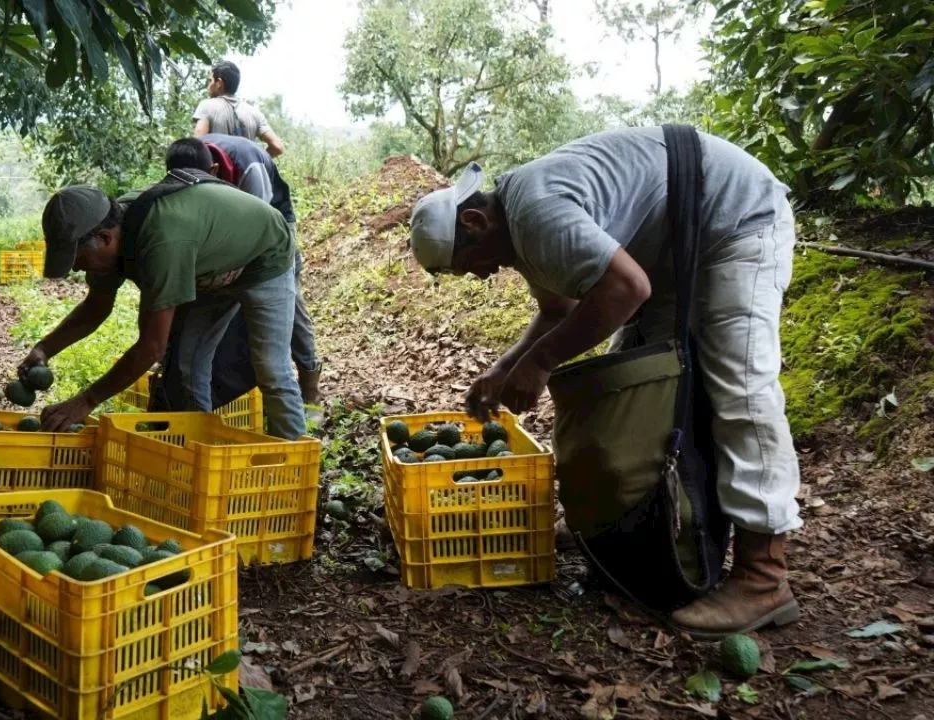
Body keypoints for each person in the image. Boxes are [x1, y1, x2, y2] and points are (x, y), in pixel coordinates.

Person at [406, 126, 801, 637]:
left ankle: (763, 575)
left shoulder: (536, 212)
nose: (479, 276)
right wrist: (505, 368)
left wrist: (542, 362)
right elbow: (560, 310)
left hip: (734, 221)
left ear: (476, 220)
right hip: (670, 254)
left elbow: (626, 288)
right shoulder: (519, 228)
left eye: (467, 265)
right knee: (635, 390)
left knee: (739, 387)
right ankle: (638, 524)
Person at [21, 179, 306, 440]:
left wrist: (85, 401)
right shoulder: (109, 235)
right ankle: (197, 447)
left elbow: (151, 347)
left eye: (78, 259)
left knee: (271, 367)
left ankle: (293, 462)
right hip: (206, 267)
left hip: (264, 255)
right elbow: (96, 308)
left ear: (106, 239)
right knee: (188, 366)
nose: (75, 267)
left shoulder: (161, 241)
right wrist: (45, 348)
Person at [164, 136, 323, 404]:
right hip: (227, 225)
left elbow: (257, 231)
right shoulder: (187, 161)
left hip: (273, 227)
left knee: (287, 300)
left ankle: (310, 385)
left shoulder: (249, 167)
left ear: (213, 171)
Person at [192, 60, 285, 158]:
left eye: (210, 81)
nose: (208, 87)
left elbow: (197, 145)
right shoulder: (254, 113)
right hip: (248, 172)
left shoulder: (207, 106)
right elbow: (277, 147)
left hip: (216, 172)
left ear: (219, 83)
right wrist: (255, 159)